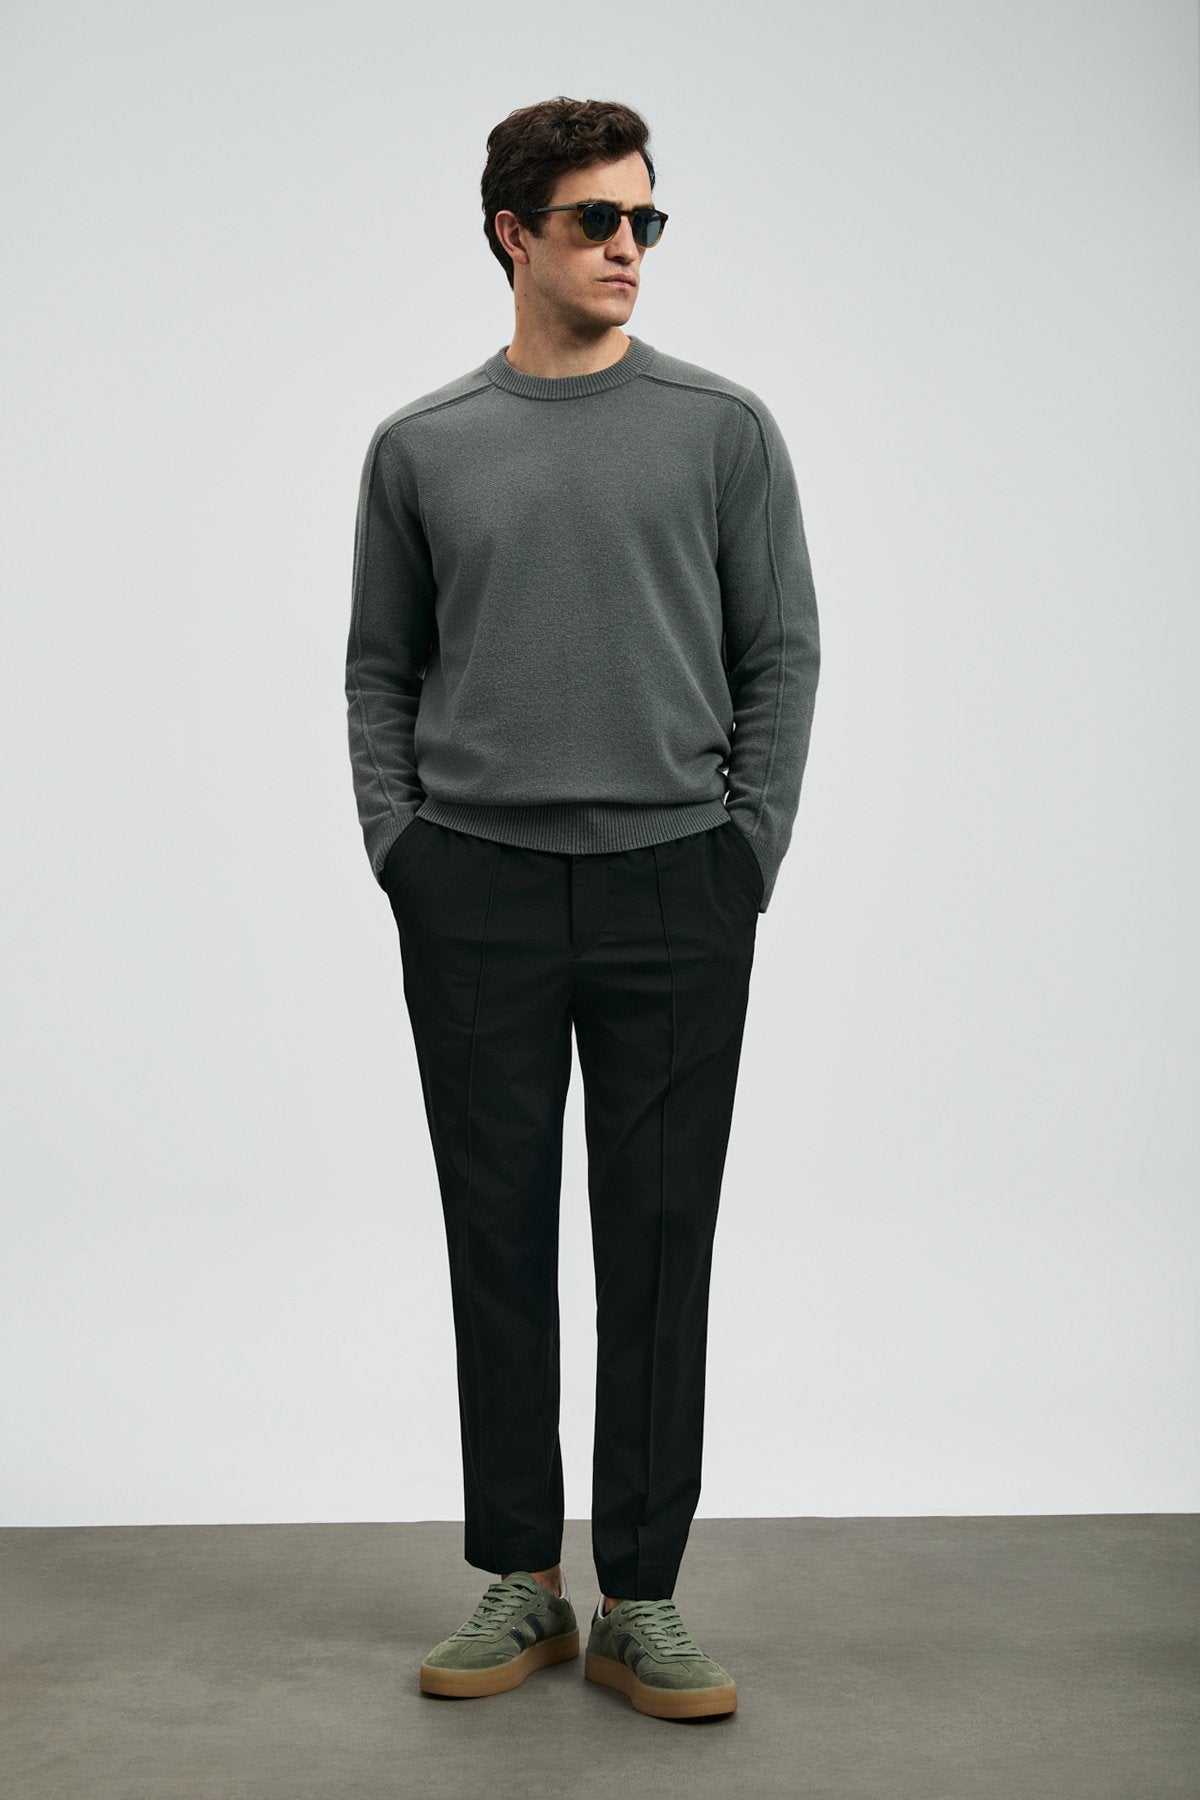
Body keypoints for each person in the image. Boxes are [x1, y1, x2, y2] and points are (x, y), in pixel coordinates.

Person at [344, 94, 820, 1722]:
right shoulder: (423, 445)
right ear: (513, 234)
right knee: (495, 1240)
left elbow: (780, 654)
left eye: (645, 220)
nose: (629, 247)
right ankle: (518, 1582)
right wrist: (403, 847)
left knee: (660, 1246)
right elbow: (380, 668)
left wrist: (745, 850)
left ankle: (644, 1599)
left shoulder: (721, 430)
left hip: (676, 887)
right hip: (471, 886)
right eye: (596, 220)